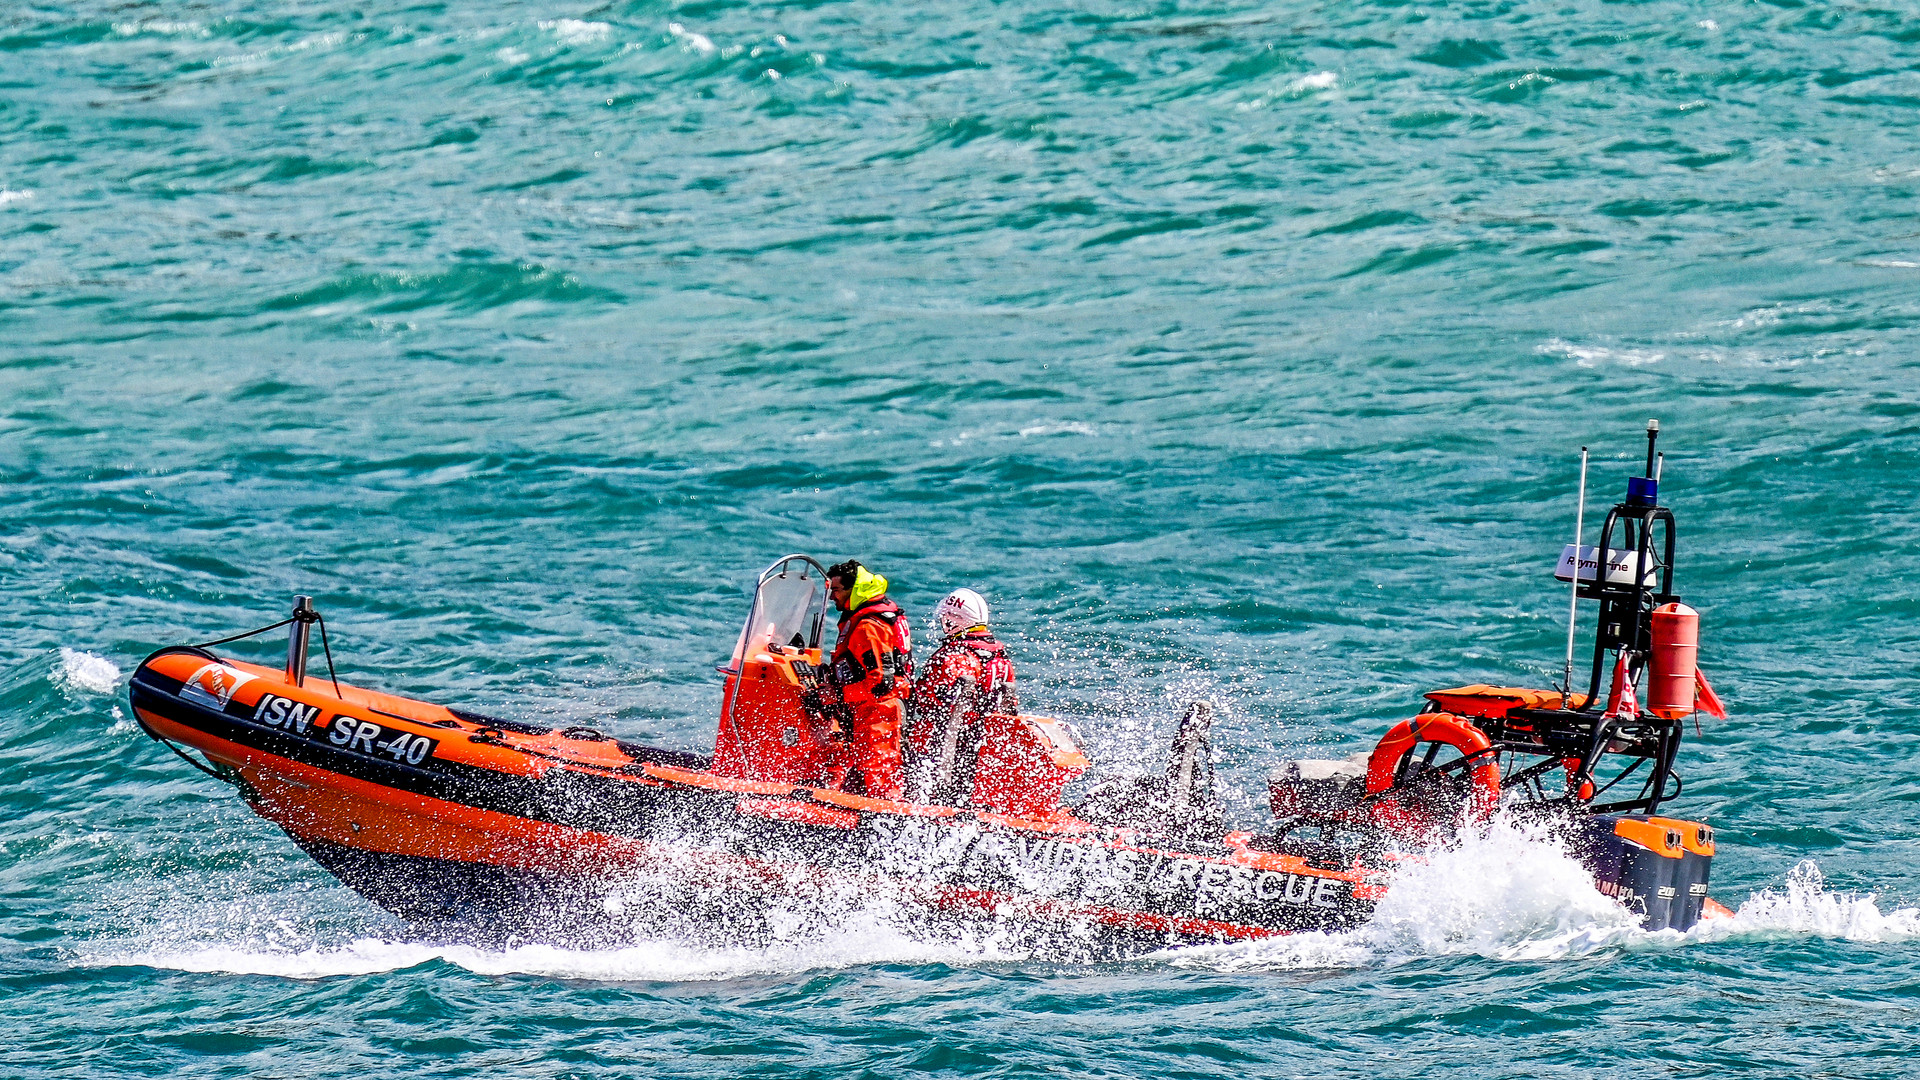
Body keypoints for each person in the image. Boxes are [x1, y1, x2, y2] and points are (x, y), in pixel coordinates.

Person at [906, 588, 1017, 803]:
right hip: (980, 748)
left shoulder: (953, 656)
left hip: (942, 745)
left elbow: (927, 702)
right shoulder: (1000, 658)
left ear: (956, 619)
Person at [823, 559, 913, 798]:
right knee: (862, 773)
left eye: (836, 590)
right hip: (872, 709)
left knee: (879, 776)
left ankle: (884, 825)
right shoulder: (874, 618)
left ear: (854, 590)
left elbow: (881, 682)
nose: (832, 597)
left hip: (878, 711)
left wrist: (839, 695)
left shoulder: (868, 627)